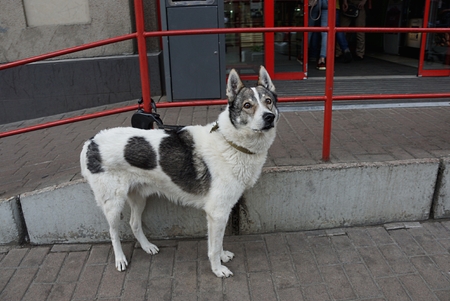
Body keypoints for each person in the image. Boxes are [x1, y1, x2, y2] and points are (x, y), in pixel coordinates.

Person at [308, 0, 328, 70]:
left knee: (308, 29)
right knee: (325, 32)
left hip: (315, 2)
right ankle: (322, 59)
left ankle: (302, 55)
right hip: (327, 2)